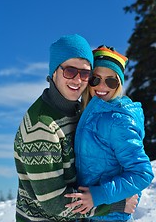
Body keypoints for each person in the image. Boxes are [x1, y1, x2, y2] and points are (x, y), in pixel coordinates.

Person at [14, 35, 138, 222]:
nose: (78, 80)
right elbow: (54, 203)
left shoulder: (78, 112)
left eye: (85, 73)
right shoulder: (42, 126)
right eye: (70, 71)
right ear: (54, 71)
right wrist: (116, 205)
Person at [65, 45, 154, 222]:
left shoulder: (118, 120)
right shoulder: (89, 114)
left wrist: (99, 195)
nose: (102, 86)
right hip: (91, 215)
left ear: (119, 84)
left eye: (111, 81)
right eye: (95, 79)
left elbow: (142, 173)